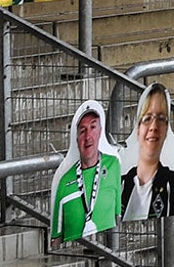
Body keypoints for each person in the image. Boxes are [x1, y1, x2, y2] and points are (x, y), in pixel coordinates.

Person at [50, 100, 121, 243]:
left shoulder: (114, 165)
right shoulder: (64, 180)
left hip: (108, 250)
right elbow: (56, 239)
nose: (88, 137)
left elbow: (118, 216)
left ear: (100, 132)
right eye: (83, 131)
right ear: (76, 139)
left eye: (93, 127)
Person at [118, 82, 174, 220]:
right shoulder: (122, 183)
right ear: (138, 129)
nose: (154, 127)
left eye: (161, 119)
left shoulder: (172, 182)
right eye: (147, 119)